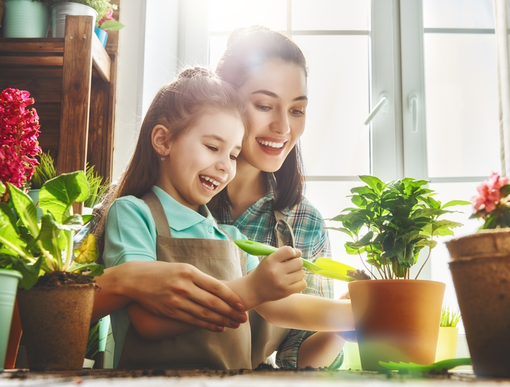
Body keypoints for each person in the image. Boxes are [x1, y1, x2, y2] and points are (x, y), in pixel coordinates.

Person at [100, 67, 353, 369]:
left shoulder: (231, 238)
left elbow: (279, 306)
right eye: (212, 148)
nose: (225, 167)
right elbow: (149, 322)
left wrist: (355, 314)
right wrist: (252, 289)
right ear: (163, 141)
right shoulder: (133, 214)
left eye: (233, 155)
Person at [210, 25, 347, 369]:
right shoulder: (168, 200)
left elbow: (300, 360)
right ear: (223, 99)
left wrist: (351, 317)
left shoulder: (305, 223)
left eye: (297, 110)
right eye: (264, 105)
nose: (284, 127)